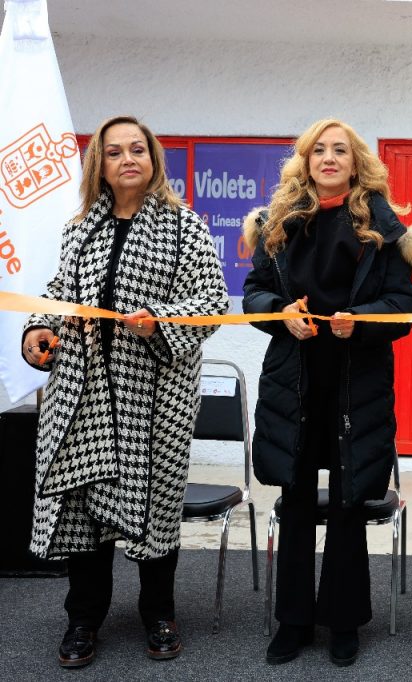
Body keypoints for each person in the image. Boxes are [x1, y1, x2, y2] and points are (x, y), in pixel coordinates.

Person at [19, 115, 228, 668]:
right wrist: (38, 329)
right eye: (114, 152)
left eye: (137, 149)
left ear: (153, 159)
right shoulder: (79, 229)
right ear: (100, 165)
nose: (127, 159)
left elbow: (211, 302)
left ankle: (159, 614)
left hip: (155, 397)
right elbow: (60, 292)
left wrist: (157, 321)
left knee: (154, 508)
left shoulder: (184, 226)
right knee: (84, 508)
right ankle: (83, 620)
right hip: (83, 395)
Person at [242, 117, 412, 667]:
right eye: (318, 150)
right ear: (305, 161)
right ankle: (294, 621)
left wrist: (360, 320)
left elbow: (403, 306)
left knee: (349, 505)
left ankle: (343, 621)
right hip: (294, 384)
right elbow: (254, 292)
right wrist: (280, 313)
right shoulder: (278, 224)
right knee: (295, 501)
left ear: (355, 161)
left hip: (356, 388)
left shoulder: (384, 227)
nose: (328, 158)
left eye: (339, 150)